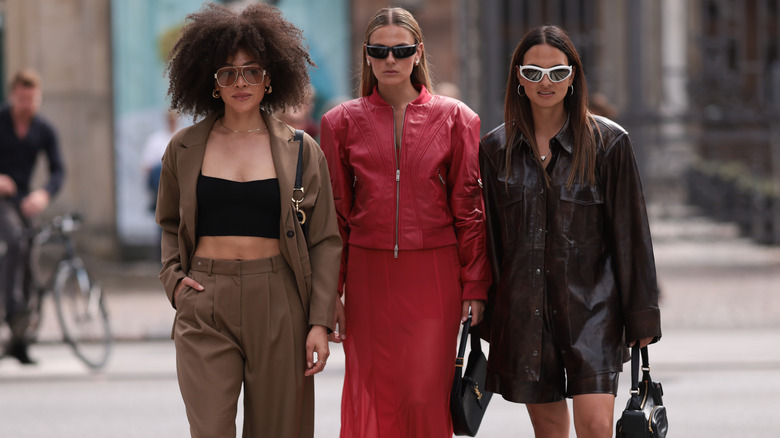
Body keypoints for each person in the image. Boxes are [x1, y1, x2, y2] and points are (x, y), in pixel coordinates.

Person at [156, 3, 341, 437]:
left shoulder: (301, 149)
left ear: (271, 77)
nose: (240, 83)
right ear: (212, 82)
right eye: (228, 73)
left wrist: (318, 321)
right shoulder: (183, 148)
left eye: (252, 71)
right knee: (211, 428)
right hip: (204, 299)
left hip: (279, 298)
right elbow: (167, 223)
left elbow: (325, 239)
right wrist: (174, 282)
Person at [479, 25, 662, 437]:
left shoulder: (609, 143)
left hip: (594, 309)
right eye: (534, 72)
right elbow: (488, 240)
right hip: (526, 314)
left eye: (558, 73)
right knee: (549, 433)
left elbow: (631, 234)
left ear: (574, 77)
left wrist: (642, 315)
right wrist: (487, 312)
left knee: (597, 427)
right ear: (518, 78)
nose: (546, 83)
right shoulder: (494, 150)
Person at [319, 7, 491, 437]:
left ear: (418, 53)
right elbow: (335, 216)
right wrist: (330, 292)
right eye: (379, 51)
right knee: (374, 393)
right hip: (367, 276)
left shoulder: (458, 119)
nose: (390, 60)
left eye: (401, 50)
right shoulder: (338, 123)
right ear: (367, 55)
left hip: (434, 274)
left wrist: (475, 285)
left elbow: (469, 209)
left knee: (422, 393)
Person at [0, 68, 65, 365]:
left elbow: (58, 169)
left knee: (31, 257)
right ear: (13, 96)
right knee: (15, 241)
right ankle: (11, 307)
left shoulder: (43, 129)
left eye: (32, 99)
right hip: (1, 199)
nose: (27, 104)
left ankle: (19, 338)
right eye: (22, 98)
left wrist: (43, 194)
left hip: (25, 199)